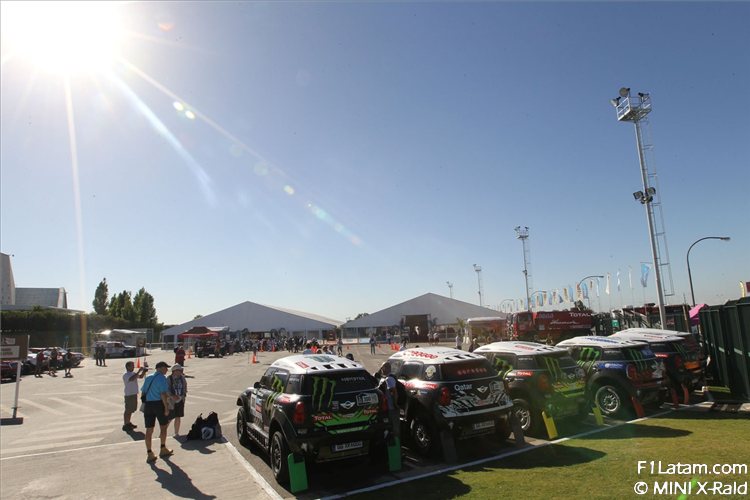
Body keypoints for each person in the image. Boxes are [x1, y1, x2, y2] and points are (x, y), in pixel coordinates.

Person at [142, 361, 173, 462]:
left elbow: (143, 392)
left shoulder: (148, 377)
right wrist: (166, 408)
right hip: (159, 404)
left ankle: (149, 453)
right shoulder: (162, 378)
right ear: (160, 368)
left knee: (149, 430)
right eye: (165, 368)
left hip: (148, 405)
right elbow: (163, 394)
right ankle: (163, 448)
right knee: (163, 427)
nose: (167, 370)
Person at [378, 362, 400, 441]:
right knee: (391, 426)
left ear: (385, 368)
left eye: (382, 368)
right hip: (390, 407)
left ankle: (396, 443)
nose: (381, 370)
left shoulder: (389, 379)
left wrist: (395, 404)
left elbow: (394, 391)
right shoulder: (388, 378)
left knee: (394, 427)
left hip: (392, 408)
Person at [122, 361, 147, 430]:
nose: (133, 367)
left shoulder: (133, 373)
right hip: (129, 394)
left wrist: (144, 371)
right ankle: (125, 424)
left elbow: (140, 377)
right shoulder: (126, 374)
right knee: (128, 410)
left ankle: (128, 422)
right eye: (132, 365)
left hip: (134, 394)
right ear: (128, 367)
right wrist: (139, 371)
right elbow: (131, 379)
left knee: (131, 409)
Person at [167, 364, 188, 438]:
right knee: (169, 418)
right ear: (174, 371)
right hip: (171, 401)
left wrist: (183, 395)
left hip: (180, 400)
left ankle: (176, 433)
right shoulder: (169, 378)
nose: (180, 371)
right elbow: (166, 389)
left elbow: (185, 386)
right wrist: (172, 396)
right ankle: (163, 432)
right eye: (179, 370)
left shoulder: (182, 378)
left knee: (178, 417)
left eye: (181, 370)